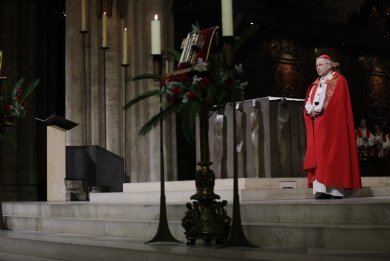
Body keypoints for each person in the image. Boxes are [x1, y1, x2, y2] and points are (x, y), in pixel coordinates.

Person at [303, 54, 362, 199]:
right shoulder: (316, 83)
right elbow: (309, 100)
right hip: (317, 124)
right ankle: (322, 190)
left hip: (333, 126)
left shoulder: (339, 80)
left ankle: (336, 191)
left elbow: (336, 103)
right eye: (317, 65)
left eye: (321, 64)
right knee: (319, 158)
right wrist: (310, 109)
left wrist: (322, 109)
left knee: (332, 156)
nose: (318, 67)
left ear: (330, 66)